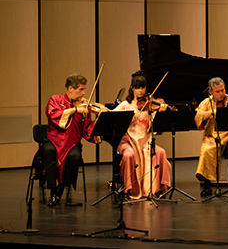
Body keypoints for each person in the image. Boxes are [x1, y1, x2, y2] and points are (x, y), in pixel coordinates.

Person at [42, 74, 105, 206]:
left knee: (75, 157)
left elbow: (87, 129)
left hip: (72, 143)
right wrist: (74, 110)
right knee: (48, 151)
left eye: (84, 89)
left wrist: (100, 118)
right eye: (81, 89)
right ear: (70, 88)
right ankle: (52, 191)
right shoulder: (55, 99)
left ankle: (61, 188)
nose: (83, 93)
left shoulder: (84, 106)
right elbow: (53, 115)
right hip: (54, 140)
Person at [112, 71, 171, 199]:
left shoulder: (149, 104)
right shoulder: (126, 105)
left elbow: (153, 127)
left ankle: (157, 189)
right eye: (137, 87)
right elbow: (113, 116)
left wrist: (160, 112)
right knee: (128, 155)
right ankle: (130, 189)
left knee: (161, 152)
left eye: (142, 87)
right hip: (130, 142)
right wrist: (127, 119)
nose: (140, 91)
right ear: (132, 88)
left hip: (146, 142)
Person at [195, 77, 228, 197]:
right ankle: (207, 185)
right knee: (206, 150)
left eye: (223, 90)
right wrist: (213, 112)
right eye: (218, 91)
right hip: (211, 138)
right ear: (210, 91)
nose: (221, 94)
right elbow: (198, 116)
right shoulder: (206, 103)